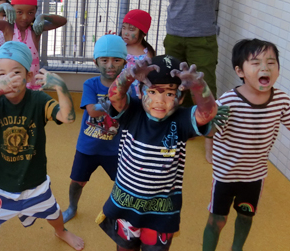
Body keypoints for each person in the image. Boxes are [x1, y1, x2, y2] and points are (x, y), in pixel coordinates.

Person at [0, 41, 84, 251]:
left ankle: (61, 231)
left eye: (16, 72)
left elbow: (67, 118)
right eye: (1, 74)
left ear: (29, 76)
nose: (8, 79)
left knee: (54, 212)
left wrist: (61, 86)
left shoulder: (38, 99)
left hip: (35, 183)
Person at [97, 55, 218, 251]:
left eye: (170, 94)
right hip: (126, 204)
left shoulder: (182, 119)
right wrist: (128, 76)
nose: (159, 101)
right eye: (152, 92)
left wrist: (199, 86)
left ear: (180, 97)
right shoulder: (132, 110)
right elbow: (115, 96)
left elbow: (207, 113)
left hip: (161, 211)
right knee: (124, 247)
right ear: (140, 90)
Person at [202, 39, 290, 251]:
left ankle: (237, 248)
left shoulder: (281, 100)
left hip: (254, 175)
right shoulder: (229, 101)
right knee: (217, 219)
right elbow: (211, 130)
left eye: (271, 62)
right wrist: (208, 149)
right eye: (256, 62)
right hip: (226, 174)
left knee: (245, 216)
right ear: (240, 71)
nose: (264, 68)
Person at [62, 35, 128, 223]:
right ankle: (72, 207)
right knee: (77, 181)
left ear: (124, 62)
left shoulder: (128, 88)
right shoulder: (90, 84)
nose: (110, 65)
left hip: (116, 149)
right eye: (104, 60)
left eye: (116, 60)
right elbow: (92, 110)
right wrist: (116, 101)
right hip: (88, 147)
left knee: (123, 183)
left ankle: (120, 212)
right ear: (95, 62)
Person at [0, 0, 67, 89]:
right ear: (12, 9)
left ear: (35, 11)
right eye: (19, 12)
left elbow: (63, 21)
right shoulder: (8, 28)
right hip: (13, 83)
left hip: (32, 84)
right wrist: (1, 6)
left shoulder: (35, 30)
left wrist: (44, 16)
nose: (25, 17)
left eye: (31, 12)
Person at [120, 9, 155, 97]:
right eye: (123, 28)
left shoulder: (147, 54)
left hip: (138, 94)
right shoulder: (119, 47)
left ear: (143, 33)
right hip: (119, 90)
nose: (126, 33)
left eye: (131, 29)